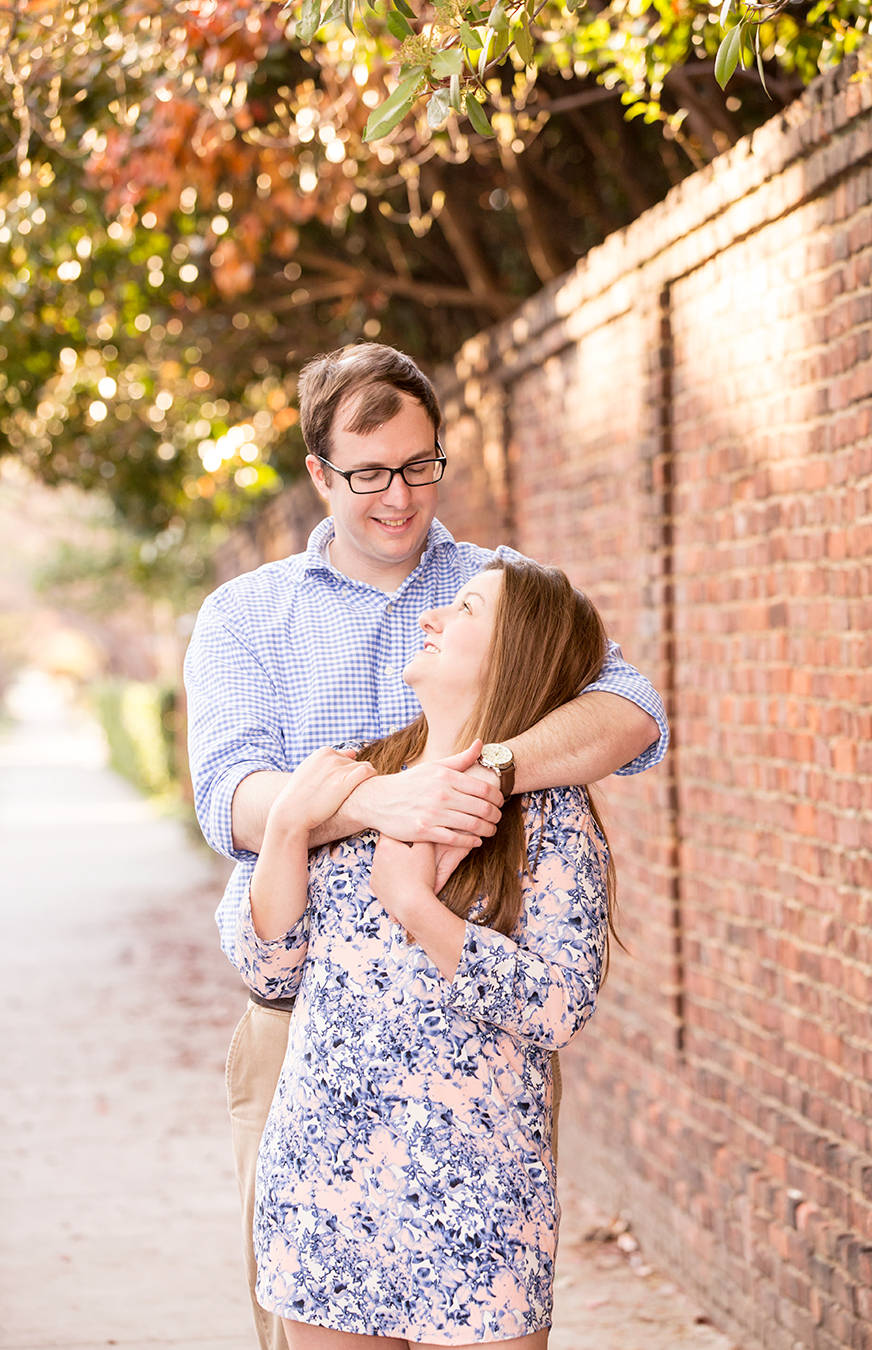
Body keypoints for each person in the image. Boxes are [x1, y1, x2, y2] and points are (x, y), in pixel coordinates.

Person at [184, 343, 668, 1350]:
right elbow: (228, 795)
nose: (400, 497)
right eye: (368, 474)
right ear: (320, 474)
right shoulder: (249, 617)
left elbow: (629, 717)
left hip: (473, 1065)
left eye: (420, 465)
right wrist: (377, 802)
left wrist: (474, 776)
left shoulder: (497, 590)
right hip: (309, 1030)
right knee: (300, 1312)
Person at [236, 557, 613, 1349]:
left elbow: (557, 1006)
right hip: (325, 1182)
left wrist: (415, 907)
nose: (431, 618)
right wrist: (286, 829)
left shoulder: (549, 813)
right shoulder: (357, 777)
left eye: (465, 609)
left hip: (478, 1192)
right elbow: (272, 970)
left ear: (515, 653)